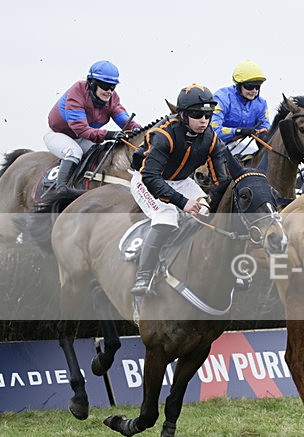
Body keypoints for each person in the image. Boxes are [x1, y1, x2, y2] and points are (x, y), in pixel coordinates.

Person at [129, 84, 232, 296]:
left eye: (208, 115)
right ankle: (144, 276)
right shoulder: (163, 135)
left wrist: (216, 200)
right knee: (166, 216)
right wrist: (182, 202)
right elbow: (150, 177)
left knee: (207, 212)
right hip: (147, 179)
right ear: (183, 115)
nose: (204, 120)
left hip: (181, 181)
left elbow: (220, 181)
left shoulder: (211, 139)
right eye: (197, 115)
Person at [44, 60, 142, 191]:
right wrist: (109, 134)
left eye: (113, 87)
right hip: (58, 134)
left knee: (99, 153)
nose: (109, 91)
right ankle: (61, 189)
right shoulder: (77, 92)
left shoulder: (112, 99)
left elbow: (125, 121)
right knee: (74, 152)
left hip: (82, 138)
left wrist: (141, 132)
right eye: (105, 86)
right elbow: (81, 129)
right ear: (92, 83)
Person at [211, 60, 271, 162]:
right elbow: (214, 131)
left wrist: (262, 133)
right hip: (214, 146)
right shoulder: (222, 97)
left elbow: (265, 129)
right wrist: (239, 131)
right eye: (249, 86)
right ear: (239, 85)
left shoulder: (261, 104)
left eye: (257, 86)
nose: (254, 91)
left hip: (236, 146)